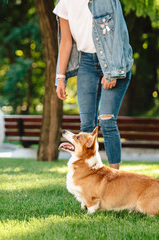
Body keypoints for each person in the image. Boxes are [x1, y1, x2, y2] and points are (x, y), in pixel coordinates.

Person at [54, 0, 133, 169]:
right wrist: (60, 77)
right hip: (86, 64)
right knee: (86, 128)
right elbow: (66, 41)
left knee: (106, 121)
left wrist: (112, 71)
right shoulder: (64, 3)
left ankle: (114, 179)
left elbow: (118, 34)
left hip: (114, 62)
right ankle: (90, 178)